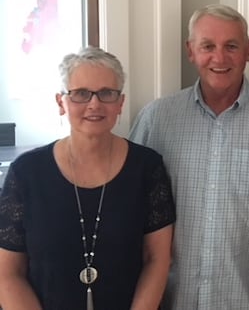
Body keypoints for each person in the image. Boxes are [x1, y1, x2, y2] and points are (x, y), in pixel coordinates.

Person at [129, 4, 249, 310]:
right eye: (208, 46)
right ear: (190, 51)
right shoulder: (157, 119)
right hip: (168, 300)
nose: (219, 58)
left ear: (248, 50)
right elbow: (128, 208)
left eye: (231, 46)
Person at [0, 46, 176, 310]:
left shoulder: (147, 168)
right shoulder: (26, 173)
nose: (94, 104)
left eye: (106, 93)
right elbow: (8, 273)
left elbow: (157, 260)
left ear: (120, 103)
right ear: (62, 102)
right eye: (81, 94)